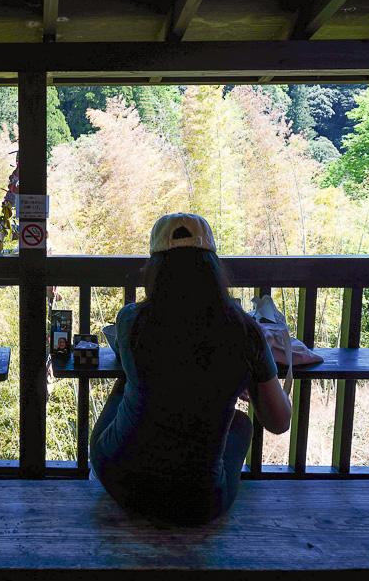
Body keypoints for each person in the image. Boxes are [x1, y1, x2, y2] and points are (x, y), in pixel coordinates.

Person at [90, 213, 291, 525]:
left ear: (154, 267)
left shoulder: (131, 321)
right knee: (240, 424)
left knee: (124, 392)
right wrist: (252, 379)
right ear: (213, 266)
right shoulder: (245, 331)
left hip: (118, 478)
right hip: (198, 504)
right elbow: (279, 422)